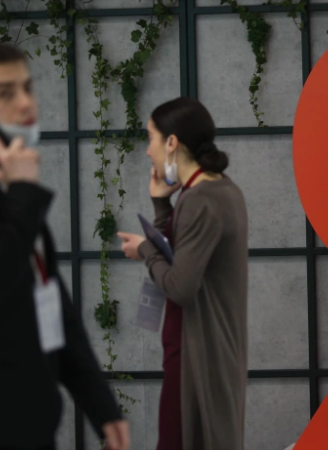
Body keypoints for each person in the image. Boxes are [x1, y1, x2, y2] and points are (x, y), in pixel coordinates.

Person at [0, 41, 130, 450]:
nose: (25, 102)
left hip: (32, 418)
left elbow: (55, 310)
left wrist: (103, 409)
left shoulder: (15, 188)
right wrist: (24, 193)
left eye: (27, 88)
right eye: (5, 92)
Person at [118, 97, 249, 450]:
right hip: (204, 346)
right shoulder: (219, 189)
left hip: (196, 352)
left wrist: (144, 250)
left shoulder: (201, 199)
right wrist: (162, 205)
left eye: (152, 138)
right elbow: (179, 255)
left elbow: (180, 286)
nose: (148, 151)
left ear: (172, 142)